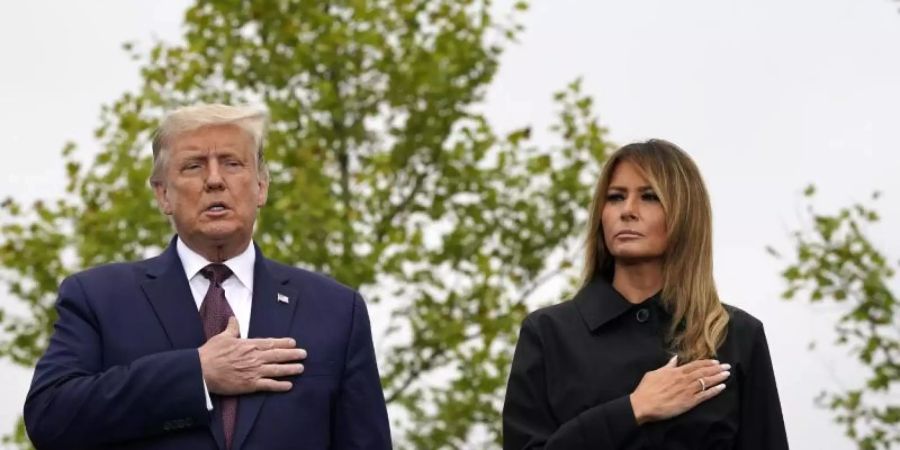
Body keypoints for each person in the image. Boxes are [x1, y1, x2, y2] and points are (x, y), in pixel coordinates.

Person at [24, 104, 392, 450]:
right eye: (194, 166)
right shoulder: (98, 298)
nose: (215, 180)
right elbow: (50, 417)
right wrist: (195, 373)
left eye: (232, 163)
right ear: (163, 194)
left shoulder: (336, 310)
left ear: (261, 186)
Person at [502, 140, 789, 449]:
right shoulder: (549, 333)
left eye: (649, 197)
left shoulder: (736, 336)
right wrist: (633, 409)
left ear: (685, 214)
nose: (627, 211)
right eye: (615, 197)